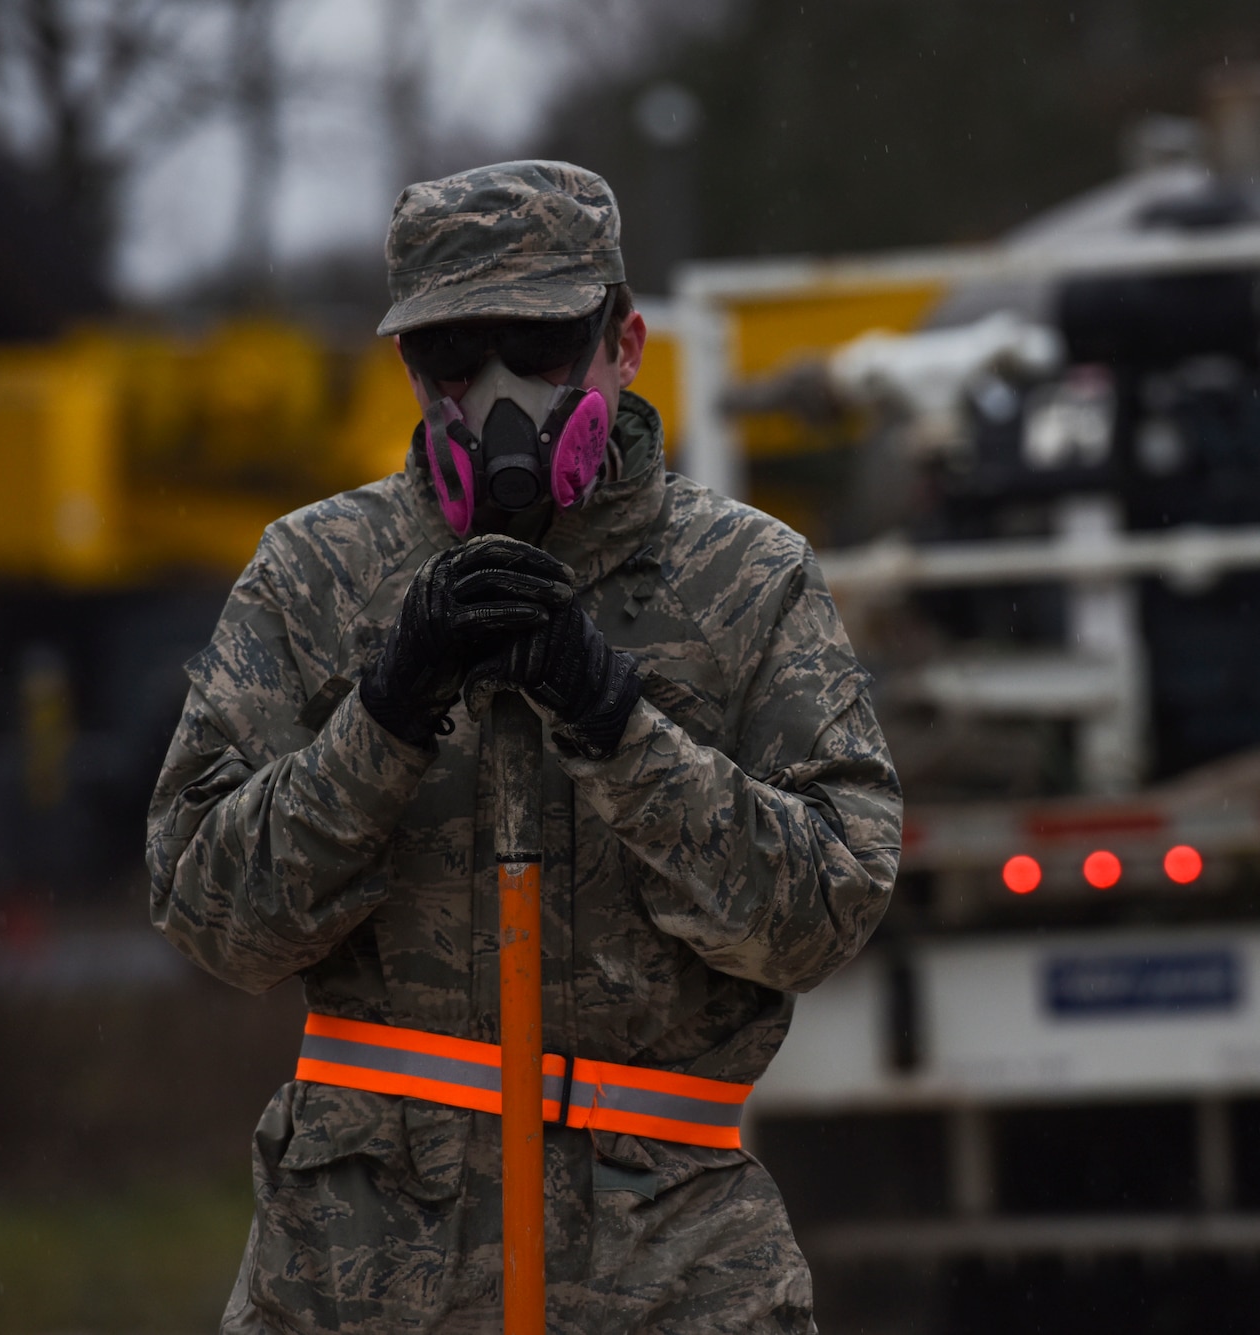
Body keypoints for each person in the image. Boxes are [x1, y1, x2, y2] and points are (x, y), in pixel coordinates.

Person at [146, 160, 901, 1333]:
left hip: (666, 1274)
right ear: (408, 369)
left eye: (540, 349)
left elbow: (822, 913)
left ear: (624, 344)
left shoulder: (745, 580)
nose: (498, 394)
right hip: (358, 1277)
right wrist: (382, 717)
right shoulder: (312, 575)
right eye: (456, 357)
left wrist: (618, 725)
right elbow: (211, 913)